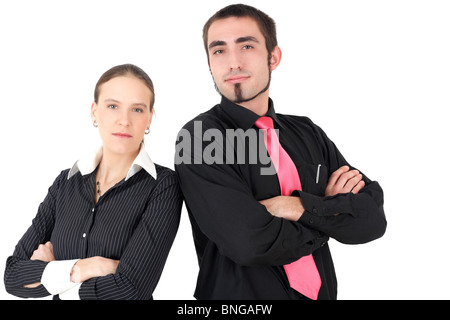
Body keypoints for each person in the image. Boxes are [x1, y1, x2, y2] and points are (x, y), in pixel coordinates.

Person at [175, 4, 387, 300]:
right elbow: (250, 242)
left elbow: (372, 220)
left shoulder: (308, 132)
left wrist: (297, 207)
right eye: (219, 51)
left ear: (272, 57)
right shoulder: (200, 138)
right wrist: (327, 212)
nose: (233, 63)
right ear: (209, 63)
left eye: (246, 46)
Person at [4, 64, 183, 300]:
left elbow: (132, 289)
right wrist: (92, 267)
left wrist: (54, 275)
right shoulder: (65, 183)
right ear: (94, 112)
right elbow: (13, 276)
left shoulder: (163, 186)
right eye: (112, 106)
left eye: (137, 110)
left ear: (150, 118)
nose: (124, 120)